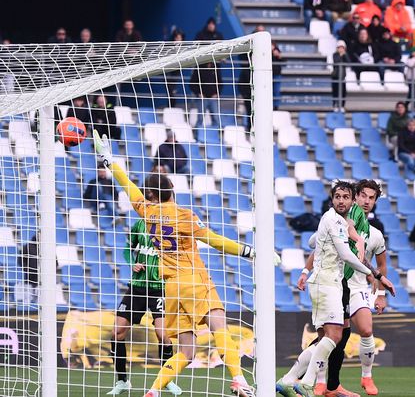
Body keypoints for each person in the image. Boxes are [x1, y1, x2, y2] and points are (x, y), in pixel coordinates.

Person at [93, 131, 274, 397]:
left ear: (152, 194)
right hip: (194, 280)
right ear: (171, 191)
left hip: (171, 288)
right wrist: (252, 252)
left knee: (186, 352)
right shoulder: (184, 216)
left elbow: (128, 187)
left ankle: (153, 391)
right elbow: (216, 241)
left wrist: (109, 161)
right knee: (219, 327)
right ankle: (238, 379)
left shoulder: (148, 212)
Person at [283, 180, 391, 397]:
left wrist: (379, 290)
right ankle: (311, 382)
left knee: (349, 333)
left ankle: (346, 380)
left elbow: (378, 263)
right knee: (333, 337)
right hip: (333, 283)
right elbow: (319, 244)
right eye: (363, 196)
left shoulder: (373, 232)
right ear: (355, 198)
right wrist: (305, 271)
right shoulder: (340, 219)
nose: (366, 201)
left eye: (371, 198)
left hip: (349, 284)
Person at [107, 213, 182, 396]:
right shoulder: (139, 225)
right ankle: (122, 381)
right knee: (117, 332)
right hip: (137, 287)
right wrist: (132, 263)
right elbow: (127, 248)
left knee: (163, 334)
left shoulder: (172, 226)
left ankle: (167, 380)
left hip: (159, 288)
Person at [190, 61, 223, 127]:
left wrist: (217, 93)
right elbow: (192, 84)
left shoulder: (216, 67)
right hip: (202, 98)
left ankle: (217, 135)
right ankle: (197, 135)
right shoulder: (199, 67)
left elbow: (220, 83)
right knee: (200, 118)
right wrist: (198, 93)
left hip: (213, 98)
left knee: (216, 118)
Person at [332, 40, 351, 112]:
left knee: (343, 92)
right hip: (335, 76)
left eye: (342, 47)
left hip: (342, 77)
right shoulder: (335, 55)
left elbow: (349, 62)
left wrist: (344, 55)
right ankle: (335, 105)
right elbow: (336, 62)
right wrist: (340, 55)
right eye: (339, 47)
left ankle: (342, 105)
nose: (341, 49)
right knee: (335, 92)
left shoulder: (345, 55)